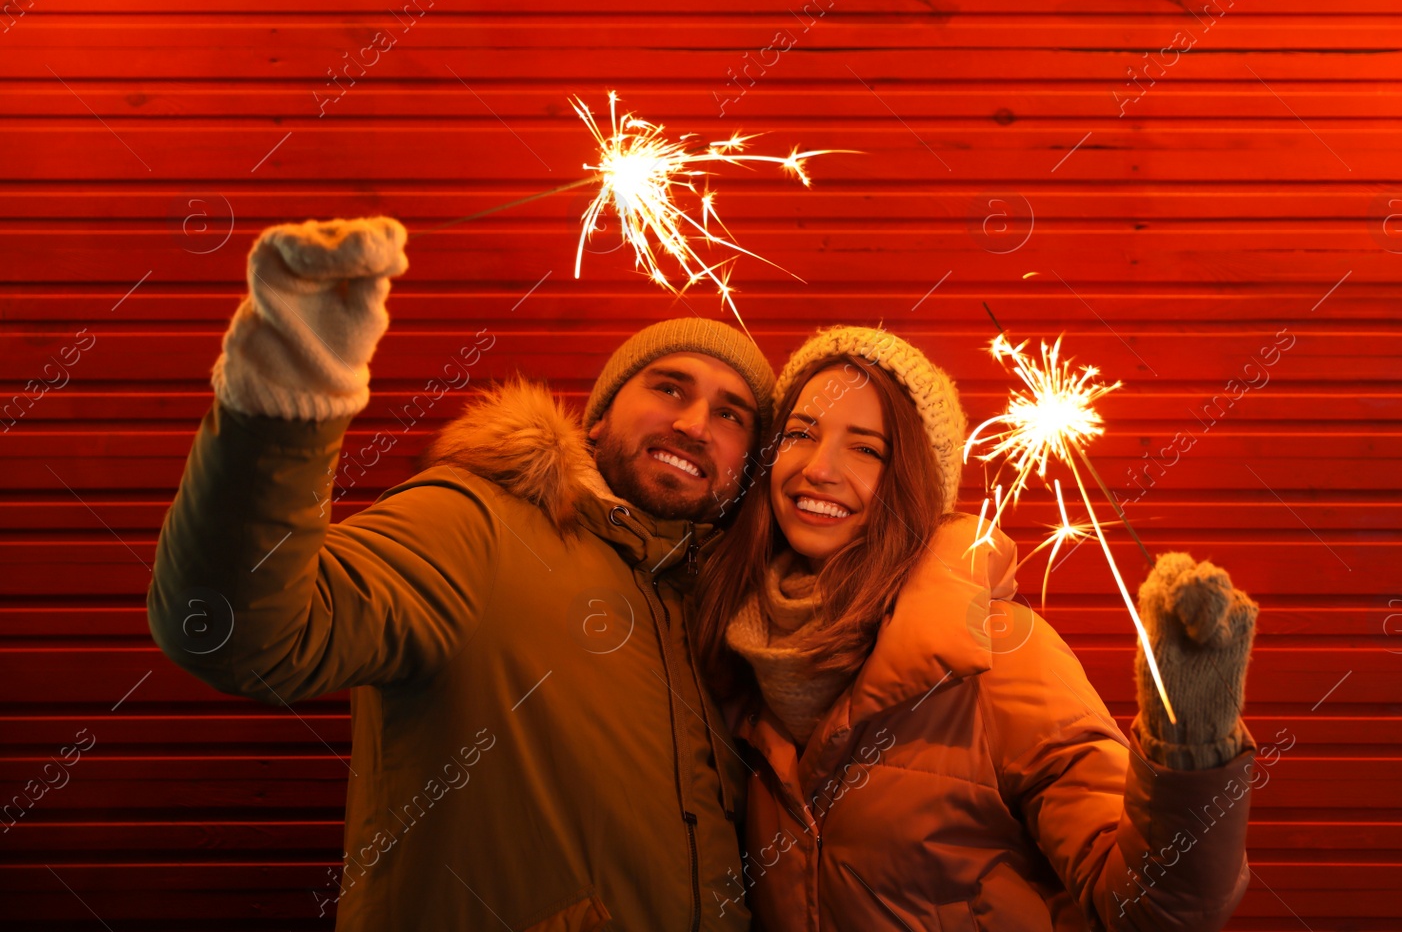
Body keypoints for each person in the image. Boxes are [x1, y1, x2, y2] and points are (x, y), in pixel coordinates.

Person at [146, 215, 773, 930]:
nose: (696, 423)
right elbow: (235, 633)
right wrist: (283, 402)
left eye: (732, 415)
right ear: (596, 419)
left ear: (747, 465)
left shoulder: (724, 621)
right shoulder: (478, 527)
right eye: (669, 388)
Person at [691, 325, 1262, 930]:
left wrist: (1191, 748)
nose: (819, 468)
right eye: (801, 434)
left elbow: (1153, 909)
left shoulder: (1001, 653)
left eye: (866, 449)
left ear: (916, 483)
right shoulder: (741, 646)